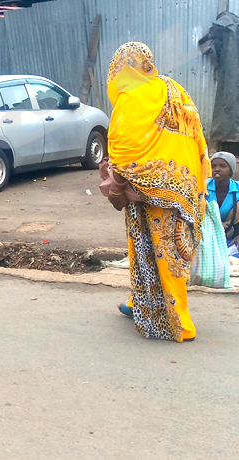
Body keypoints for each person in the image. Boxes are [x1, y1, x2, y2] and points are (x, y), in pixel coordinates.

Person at [106, 42, 211, 342]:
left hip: (147, 187)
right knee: (166, 253)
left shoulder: (132, 97)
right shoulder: (172, 87)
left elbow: (124, 146)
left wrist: (117, 182)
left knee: (153, 249)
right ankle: (141, 303)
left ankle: (180, 323)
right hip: (184, 184)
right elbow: (196, 134)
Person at [207, 152, 239, 247]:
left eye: (222, 166)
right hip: (206, 231)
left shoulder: (237, 188)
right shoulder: (203, 187)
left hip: (230, 232)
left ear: (231, 171)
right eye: (213, 166)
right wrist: (217, 223)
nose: (217, 169)